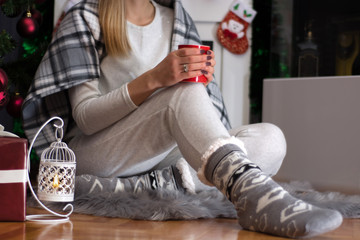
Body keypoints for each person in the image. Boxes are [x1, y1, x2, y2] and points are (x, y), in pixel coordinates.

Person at [22, 0, 343, 238]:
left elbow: (199, 115)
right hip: (98, 154)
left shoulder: (176, 19)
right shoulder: (86, 17)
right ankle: (253, 197)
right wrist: (156, 79)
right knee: (178, 95)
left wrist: (197, 81)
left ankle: (151, 186)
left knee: (271, 138)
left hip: (161, 157)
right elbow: (85, 118)